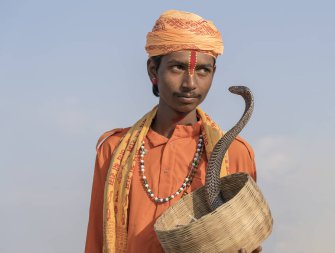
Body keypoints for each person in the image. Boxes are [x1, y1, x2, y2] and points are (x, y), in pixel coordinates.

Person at [85, 10, 261, 253]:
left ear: (213, 74)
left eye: (203, 70)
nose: (190, 83)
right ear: (153, 71)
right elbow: (96, 241)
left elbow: (246, 240)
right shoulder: (114, 149)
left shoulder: (235, 153)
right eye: (178, 67)